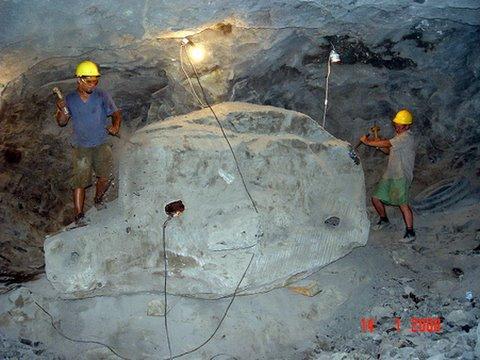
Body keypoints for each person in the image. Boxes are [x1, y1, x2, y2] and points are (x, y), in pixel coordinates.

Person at [55, 60, 122, 223]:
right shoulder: (70, 99)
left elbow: (116, 113)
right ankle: (79, 215)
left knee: (105, 177)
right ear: (79, 80)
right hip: (81, 146)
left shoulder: (101, 95)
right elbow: (62, 122)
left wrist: (115, 126)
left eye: (95, 81)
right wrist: (62, 109)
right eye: (89, 81)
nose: (93, 84)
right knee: (80, 181)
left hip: (101, 142)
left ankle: (98, 199)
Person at [359, 109, 416, 243]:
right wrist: (377, 144)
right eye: (396, 124)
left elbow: (387, 144)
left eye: (400, 125)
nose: (397, 126)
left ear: (407, 126)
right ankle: (384, 220)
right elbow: (387, 150)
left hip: (401, 175)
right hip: (391, 174)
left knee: (403, 204)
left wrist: (368, 142)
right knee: (376, 198)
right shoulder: (398, 136)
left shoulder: (406, 137)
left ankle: (410, 232)